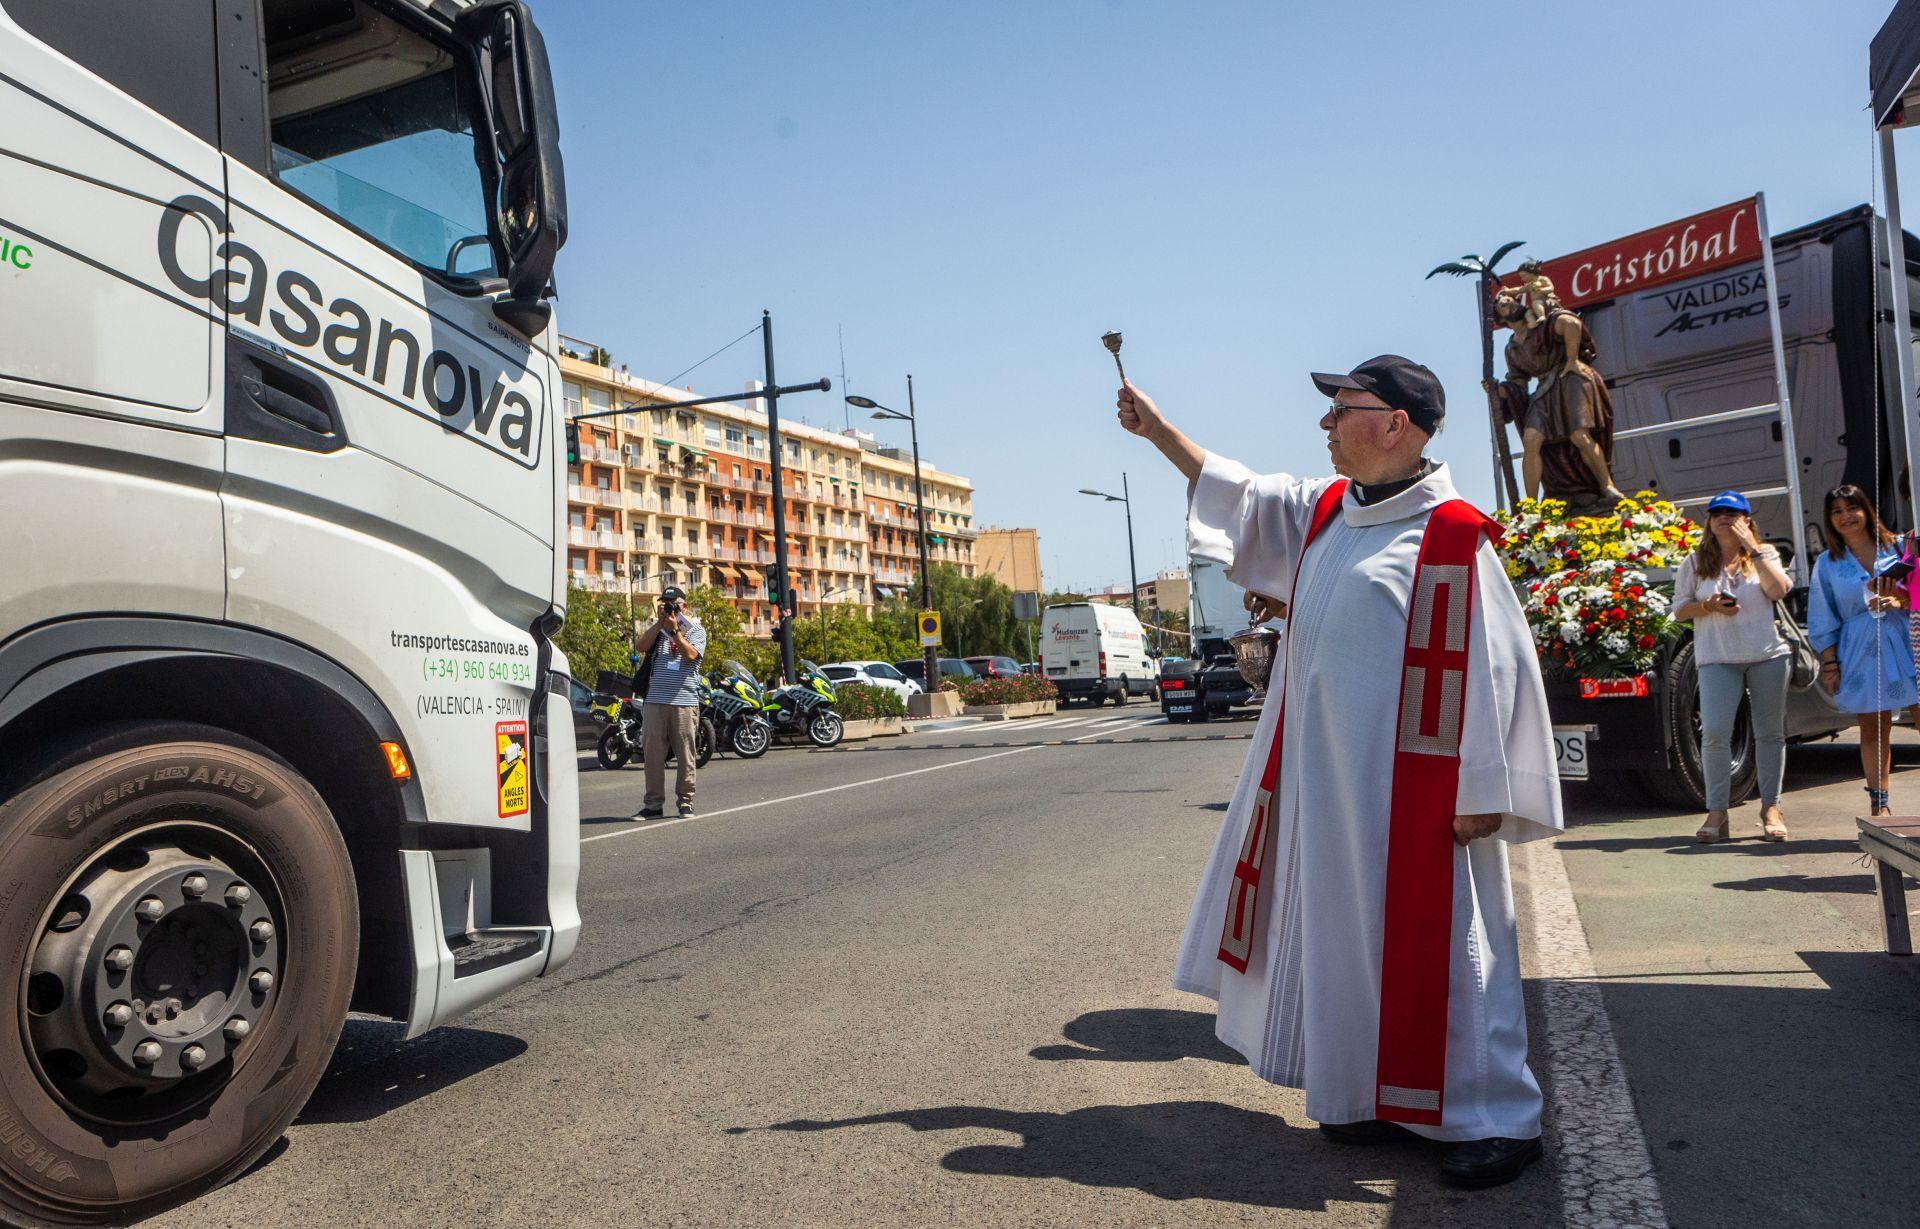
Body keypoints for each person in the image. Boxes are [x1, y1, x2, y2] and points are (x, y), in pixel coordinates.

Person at [1117, 355, 1562, 1190]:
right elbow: (1240, 494)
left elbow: (1498, 667)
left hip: (1421, 798)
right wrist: (1161, 432)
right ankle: (1371, 1094)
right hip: (1330, 790)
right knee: (1343, 942)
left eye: (1342, 409)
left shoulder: (1453, 534)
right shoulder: (1326, 513)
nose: (1325, 424)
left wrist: (1479, 788)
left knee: (1456, 949)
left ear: (1397, 423)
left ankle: (1497, 1115)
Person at [1669, 491, 1792, 843]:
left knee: (1770, 733)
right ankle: (1717, 812)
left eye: (1734, 512)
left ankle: (1771, 807)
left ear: (1748, 520)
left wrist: (1752, 547)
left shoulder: (1764, 554)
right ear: (1709, 522)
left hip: (1767, 654)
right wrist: (1706, 605)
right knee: (1715, 735)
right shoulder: (1694, 562)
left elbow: (1779, 590)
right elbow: (1679, 609)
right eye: (1717, 512)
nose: (1725, 517)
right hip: (1717, 657)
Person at [1808, 485, 1917, 817]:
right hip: (1858, 646)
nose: (1845, 516)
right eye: (1836, 511)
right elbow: (1821, 614)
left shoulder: (1899, 546)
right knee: (1874, 725)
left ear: (1867, 510)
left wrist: (1899, 600)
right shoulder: (1827, 563)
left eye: (1852, 508)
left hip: (1906, 638)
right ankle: (1879, 806)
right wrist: (1829, 663)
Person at [632, 585, 707, 819]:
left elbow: (691, 655)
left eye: (673, 603)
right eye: (664, 603)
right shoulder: (657, 631)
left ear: (683, 606)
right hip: (654, 700)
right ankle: (653, 805)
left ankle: (685, 802)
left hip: (683, 701)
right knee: (652, 754)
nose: (668, 607)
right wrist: (659, 623)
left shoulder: (696, 630)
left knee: (685, 754)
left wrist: (676, 632)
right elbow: (640, 646)